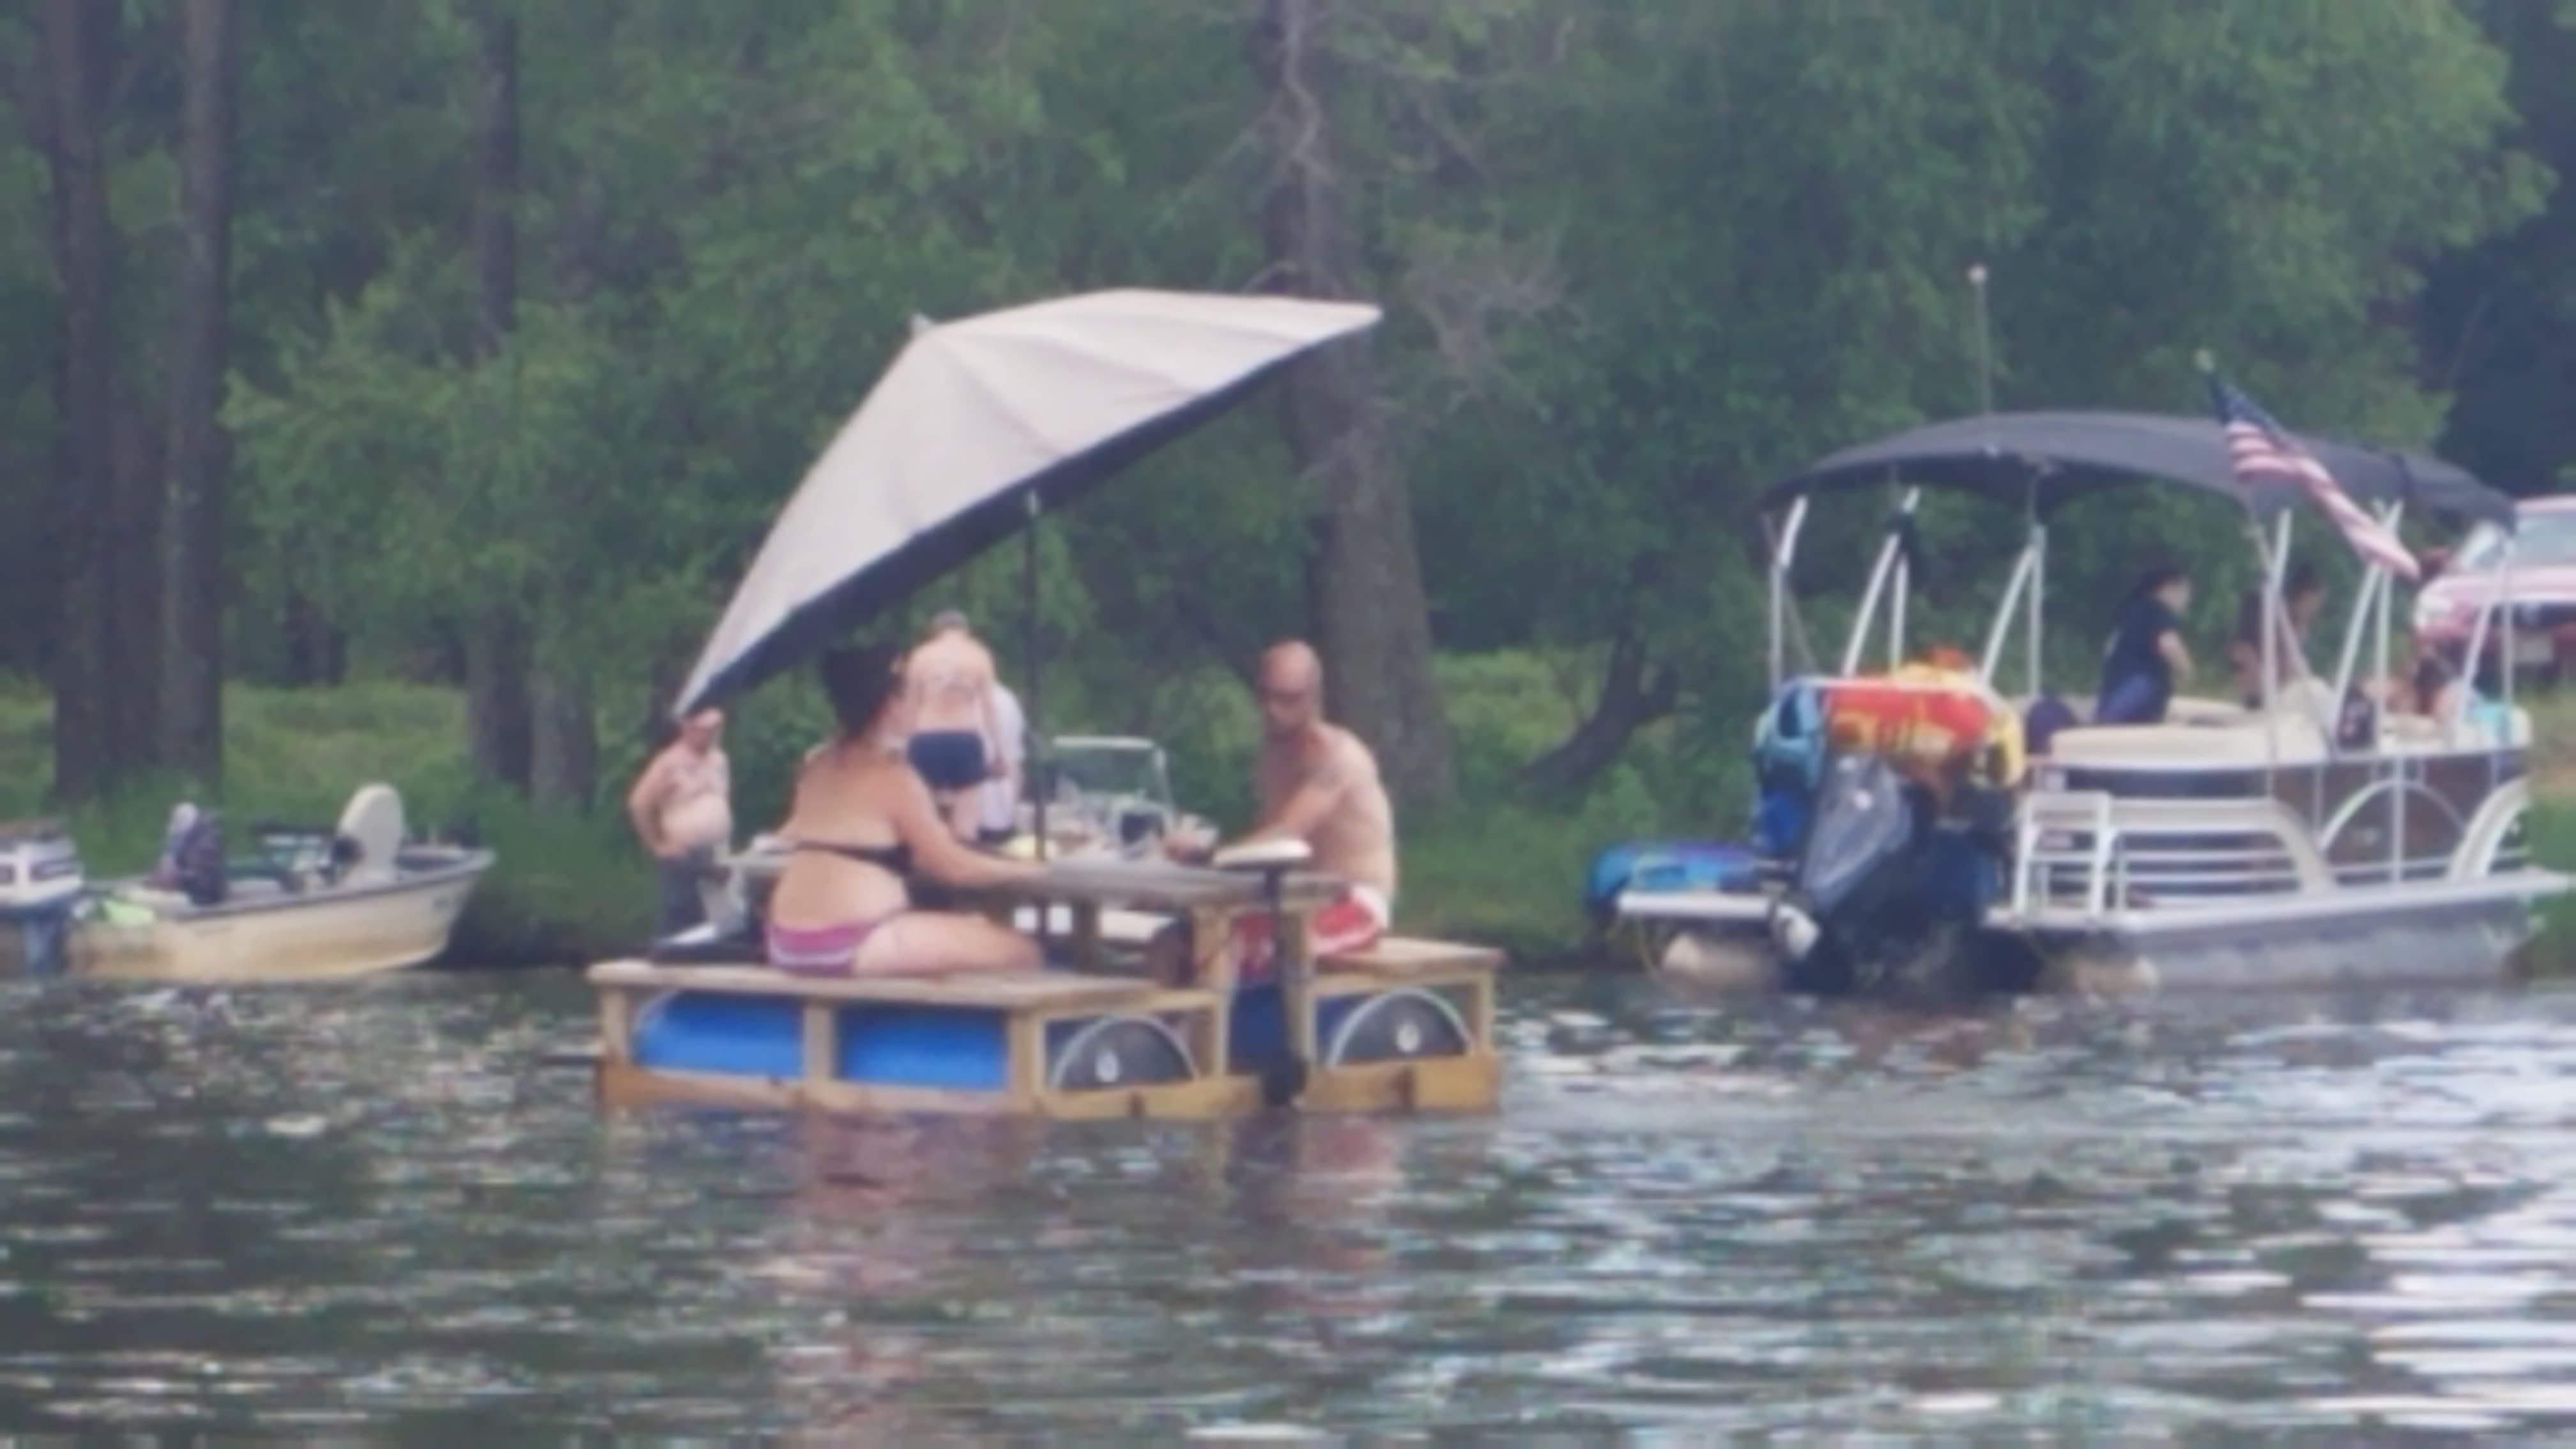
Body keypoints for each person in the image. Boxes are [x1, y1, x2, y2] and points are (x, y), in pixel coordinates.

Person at [763, 642, 1042, 977]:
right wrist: (1025, 870)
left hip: (786, 939)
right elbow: (953, 868)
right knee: (1023, 952)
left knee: (965, 934)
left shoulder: (816, 765)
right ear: (889, 704)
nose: (920, 703)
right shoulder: (894, 777)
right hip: (853, 940)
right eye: (912, 693)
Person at [1165, 641, 1397, 979]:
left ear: (1313, 697)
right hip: (1290, 898)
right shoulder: (1270, 757)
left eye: (1287, 699)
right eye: (1266, 696)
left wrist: (1210, 857)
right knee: (1177, 939)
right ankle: (1167, 1028)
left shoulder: (1337, 757)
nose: (1273, 709)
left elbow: (1285, 833)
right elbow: (1263, 845)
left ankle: (1227, 1028)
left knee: (1249, 945)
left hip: (1351, 900)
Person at [627, 706, 733, 937]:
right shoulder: (668, 762)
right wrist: (658, 845)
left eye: (715, 729)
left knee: (719, 920)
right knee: (680, 919)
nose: (711, 734)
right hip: (683, 854)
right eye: (705, 730)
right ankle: (669, 961)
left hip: (717, 853)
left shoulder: (720, 760)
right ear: (686, 729)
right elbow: (639, 803)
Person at [901, 610, 1007, 840]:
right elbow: (990, 708)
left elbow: (910, 706)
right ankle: (963, 861)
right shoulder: (978, 655)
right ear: (966, 631)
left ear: (935, 632)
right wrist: (999, 752)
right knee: (966, 821)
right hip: (965, 737)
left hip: (926, 736)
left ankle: (928, 869)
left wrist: (902, 746)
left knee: (926, 817)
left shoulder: (921, 656)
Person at [2095, 563, 2194, 725]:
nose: (2187, 600)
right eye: (2185, 593)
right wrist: (2187, 672)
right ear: (2169, 587)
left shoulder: (2129, 612)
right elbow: (2169, 645)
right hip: (2139, 695)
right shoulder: (2158, 610)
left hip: (2113, 696)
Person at [2228, 563, 2325, 709]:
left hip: (2286, 696)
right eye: (2313, 602)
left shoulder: (2299, 629)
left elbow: (2299, 669)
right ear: (2303, 597)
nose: (2315, 609)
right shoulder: (2270, 626)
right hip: (2264, 695)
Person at [976, 679, 1028, 848]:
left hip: (986, 811)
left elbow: (1011, 764)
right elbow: (1013, 764)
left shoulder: (1000, 700)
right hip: (998, 814)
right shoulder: (1004, 699)